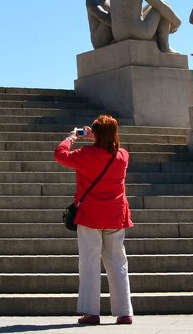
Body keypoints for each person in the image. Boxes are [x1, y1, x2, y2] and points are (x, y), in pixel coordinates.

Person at [54, 114, 134, 326]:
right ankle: (124, 312)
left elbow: (59, 154)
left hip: (90, 215)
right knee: (118, 264)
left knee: (89, 263)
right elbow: (110, 148)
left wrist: (72, 137)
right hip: (116, 215)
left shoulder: (85, 154)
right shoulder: (123, 155)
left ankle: (91, 312)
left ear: (96, 134)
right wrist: (98, 138)